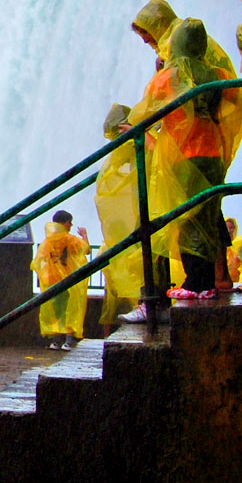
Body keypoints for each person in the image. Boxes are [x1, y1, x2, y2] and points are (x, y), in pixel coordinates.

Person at [128, 19, 240, 300]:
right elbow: (239, 98)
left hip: (183, 157)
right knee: (208, 215)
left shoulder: (169, 78)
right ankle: (210, 281)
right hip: (213, 154)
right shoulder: (219, 74)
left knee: (188, 220)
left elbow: (142, 115)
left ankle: (195, 283)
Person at [93, 104, 143, 329]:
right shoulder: (137, 142)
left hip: (147, 207)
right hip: (143, 208)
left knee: (147, 248)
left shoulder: (138, 140)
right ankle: (149, 300)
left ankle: (150, 301)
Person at [33, 211, 90, 351]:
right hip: (69, 280)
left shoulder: (48, 241)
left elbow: (39, 261)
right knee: (69, 310)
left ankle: (55, 341)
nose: (71, 225)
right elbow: (86, 250)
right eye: (70, 222)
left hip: (52, 281)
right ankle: (68, 342)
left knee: (56, 311)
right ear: (64, 222)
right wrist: (84, 235)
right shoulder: (70, 239)